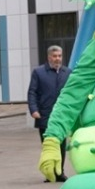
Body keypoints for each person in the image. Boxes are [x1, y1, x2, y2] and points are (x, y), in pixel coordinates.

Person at [28, 45, 70, 176]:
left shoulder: (67, 73)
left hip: (61, 116)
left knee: (61, 145)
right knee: (48, 145)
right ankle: (49, 173)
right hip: (44, 115)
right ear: (49, 57)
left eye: (60, 56)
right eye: (55, 56)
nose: (57, 59)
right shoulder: (38, 72)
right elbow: (32, 92)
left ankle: (60, 172)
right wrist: (34, 110)